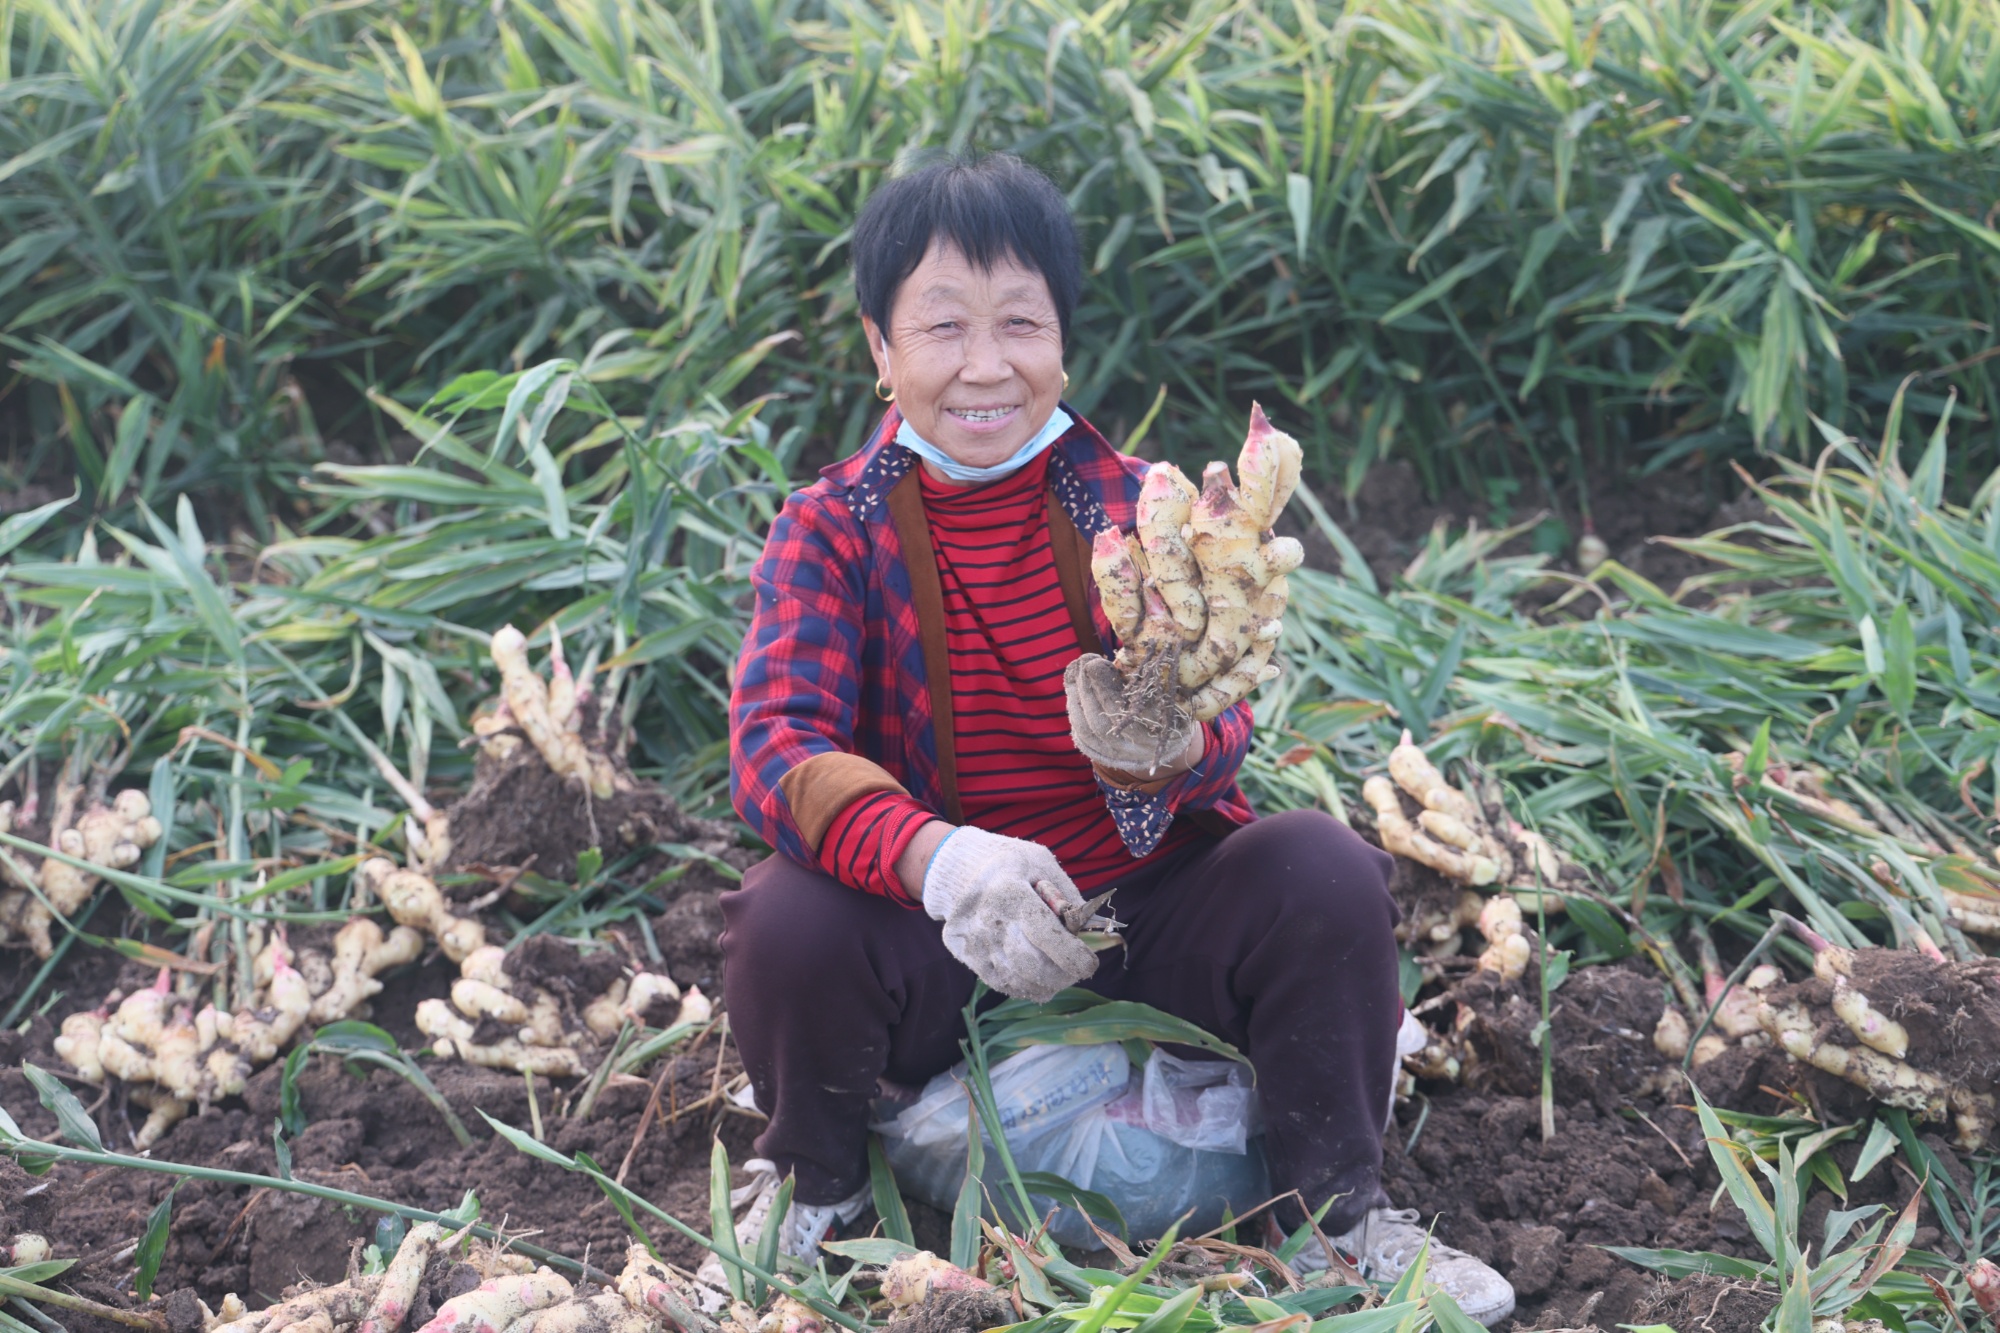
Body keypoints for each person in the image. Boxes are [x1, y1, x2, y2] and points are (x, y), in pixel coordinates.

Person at [721, 153, 1514, 1326]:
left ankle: (1336, 1226)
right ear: (879, 350)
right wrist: (941, 860)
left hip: (1146, 915)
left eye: (1019, 324)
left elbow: (1223, 696)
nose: (984, 365)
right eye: (941, 326)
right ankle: (818, 1199)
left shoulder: (1136, 508)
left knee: (1320, 869)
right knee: (787, 916)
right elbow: (773, 748)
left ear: (1065, 343)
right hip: (953, 945)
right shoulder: (830, 529)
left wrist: (1177, 751)